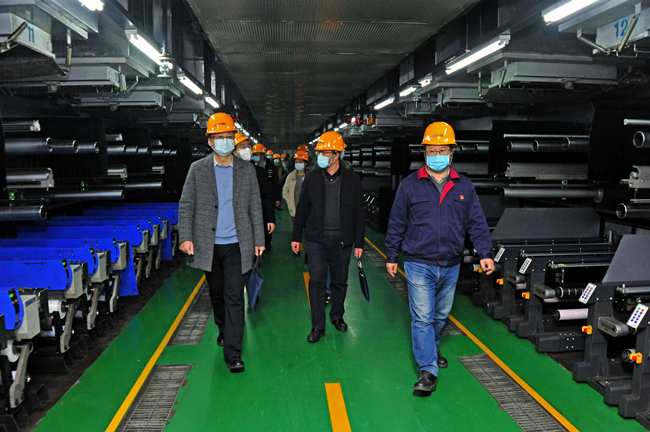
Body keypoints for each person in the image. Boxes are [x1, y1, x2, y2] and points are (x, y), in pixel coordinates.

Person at [385, 121, 494, 395]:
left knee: (440, 315)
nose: (437, 155)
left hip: (451, 263)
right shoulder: (410, 186)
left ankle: (431, 348)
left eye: (442, 150)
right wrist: (391, 254)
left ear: (451, 153)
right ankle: (428, 371)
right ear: (424, 153)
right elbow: (396, 222)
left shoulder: (464, 186)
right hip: (418, 261)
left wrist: (485, 253)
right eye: (431, 150)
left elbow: (477, 223)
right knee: (422, 316)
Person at [178, 112, 265, 373]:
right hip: (208, 244)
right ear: (210, 141)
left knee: (234, 295)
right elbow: (186, 205)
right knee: (216, 293)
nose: (224, 141)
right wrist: (186, 236)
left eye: (228, 136)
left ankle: (234, 353)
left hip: (238, 244)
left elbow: (255, 207)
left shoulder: (246, 170)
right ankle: (224, 329)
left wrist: (259, 239)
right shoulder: (197, 169)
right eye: (219, 137)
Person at [291, 131, 365, 343]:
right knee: (316, 281)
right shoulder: (312, 178)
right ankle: (317, 325)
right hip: (317, 240)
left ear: (337, 154)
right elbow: (302, 209)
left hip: (343, 240)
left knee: (340, 281)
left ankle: (337, 316)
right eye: (320, 152)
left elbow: (359, 213)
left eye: (326, 152)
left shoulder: (352, 180)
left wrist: (359, 242)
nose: (321, 156)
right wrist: (296, 237)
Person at [236, 136, 276, 240]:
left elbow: (267, 196)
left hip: (255, 219)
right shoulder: (224, 173)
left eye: (247, 146)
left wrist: (270, 218)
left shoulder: (258, 172)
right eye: (242, 147)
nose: (247, 150)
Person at [252, 144, 280, 250]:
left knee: (267, 220)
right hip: (255, 198)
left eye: (257, 154)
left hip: (268, 198)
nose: (255, 156)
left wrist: (277, 198)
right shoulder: (250, 166)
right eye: (254, 154)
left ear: (263, 155)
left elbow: (276, 183)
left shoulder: (271, 167)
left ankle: (267, 241)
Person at [282, 150, 309, 227]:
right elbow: (285, 191)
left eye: (300, 162)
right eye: (296, 162)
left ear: (305, 164)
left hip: (307, 211)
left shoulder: (309, 177)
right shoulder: (291, 176)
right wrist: (289, 201)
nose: (298, 164)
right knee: (296, 230)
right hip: (294, 210)